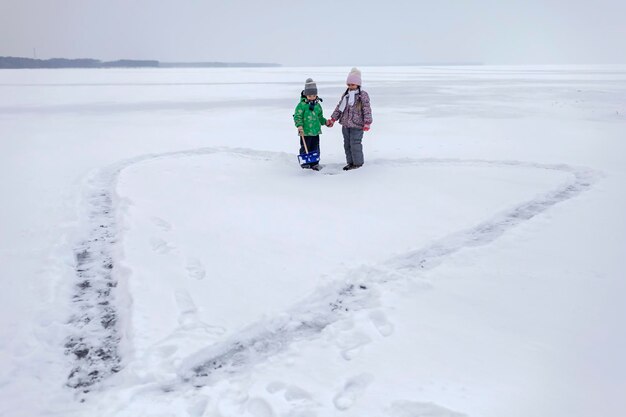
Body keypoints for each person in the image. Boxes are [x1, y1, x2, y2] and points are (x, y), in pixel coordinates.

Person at [328, 68, 373, 170]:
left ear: (358, 84)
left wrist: (367, 122)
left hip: (357, 125)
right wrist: (333, 119)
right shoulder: (346, 95)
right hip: (346, 125)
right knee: (347, 144)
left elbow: (367, 109)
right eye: (348, 84)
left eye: (353, 84)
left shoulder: (362, 95)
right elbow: (339, 108)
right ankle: (350, 162)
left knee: (355, 144)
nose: (350, 86)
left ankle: (358, 164)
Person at [293, 78, 327, 170]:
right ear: (306, 95)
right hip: (305, 132)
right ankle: (305, 163)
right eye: (310, 95)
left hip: (315, 131)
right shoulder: (302, 105)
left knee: (315, 147)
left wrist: (325, 122)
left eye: (314, 95)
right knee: (305, 146)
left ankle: (315, 163)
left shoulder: (317, 105)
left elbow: (320, 117)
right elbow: (297, 116)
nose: (312, 97)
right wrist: (299, 126)